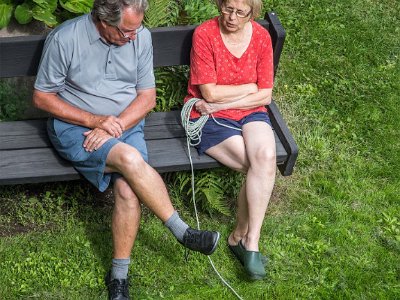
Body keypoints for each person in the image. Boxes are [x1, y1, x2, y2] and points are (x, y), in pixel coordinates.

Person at [33, 0, 220, 299]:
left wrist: (114, 124)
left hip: (126, 124)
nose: (133, 36)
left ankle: (118, 277)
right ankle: (182, 232)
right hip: (75, 127)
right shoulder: (66, 38)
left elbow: (147, 97)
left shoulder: (140, 36)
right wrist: (95, 120)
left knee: (129, 189)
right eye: (126, 31)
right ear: (103, 22)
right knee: (130, 158)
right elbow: (42, 98)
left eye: (137, 28)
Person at [183, 0, 275, 280]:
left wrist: (233, 98)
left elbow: (265, 95)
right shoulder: (205, 34)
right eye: (227, 9)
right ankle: (238, 239)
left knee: (266, 159)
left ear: (252, 14)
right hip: (208, 118)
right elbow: (208, 93)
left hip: (250, 112)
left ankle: (250, 240)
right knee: (255, 166)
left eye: (240, 12)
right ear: (220, 5)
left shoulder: (261, 37)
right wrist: (248, 87)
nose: (231, 17)